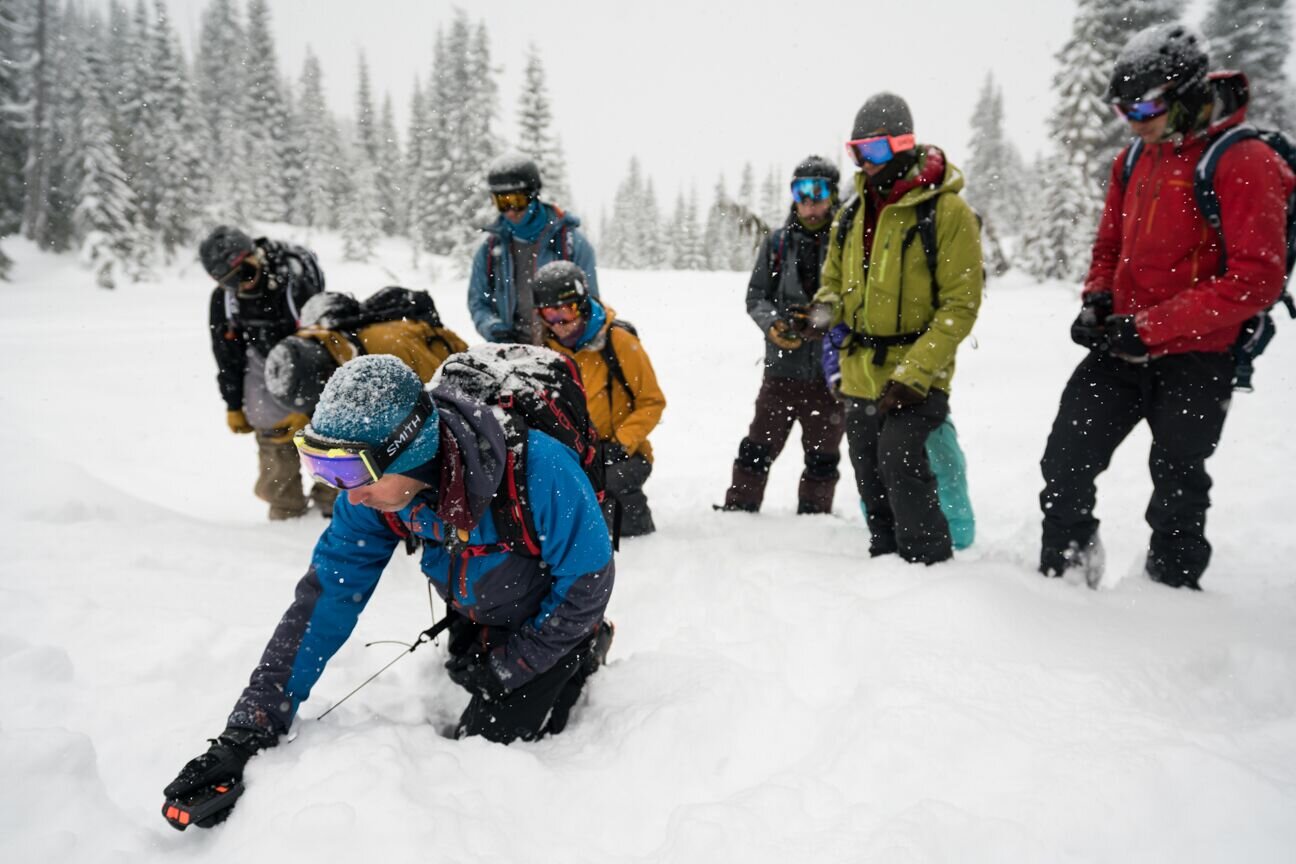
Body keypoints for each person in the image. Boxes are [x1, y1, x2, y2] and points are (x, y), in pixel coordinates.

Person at [163, 355, 616, 826]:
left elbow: (587, 585)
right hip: (479, 592)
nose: (348, 494)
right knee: (470, 671)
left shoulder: (541, 470)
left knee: (484, 751)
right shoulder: (374, 496)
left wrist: (516, 663)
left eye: (354, 474)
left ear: (410, 451)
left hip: (549, 606)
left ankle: (586, 647)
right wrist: (247, 732)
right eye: (323, 467)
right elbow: (324, 602)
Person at [1038, 24, 1295, 589]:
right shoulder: (1133, 158)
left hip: (1198, 357)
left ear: (1185, 93)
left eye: (1145, 104)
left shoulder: (1242, 160)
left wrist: (1153, 327)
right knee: (1064, 463)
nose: (1133, 118)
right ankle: (1064, 569)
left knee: (1178, 482)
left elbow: (1256, 280)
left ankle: (1170, 596)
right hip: (1121, 348)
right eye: (1122, 106)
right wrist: (1097, 298)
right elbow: (1109, 244)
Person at [807, 92, 983, 565]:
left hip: (918, 374)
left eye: (876, 150)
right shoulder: (851, 215)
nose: (866, 162)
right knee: (869, 471)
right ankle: (885, 562)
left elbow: (960, 306)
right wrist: (824, 311)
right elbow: (833, 284)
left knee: (900, 459)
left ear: (905, 145)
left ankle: (928, 564)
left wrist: (915, 372)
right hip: (861, 372)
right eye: (857, 151)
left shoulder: (946, 213)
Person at [720, 156, 845, 515]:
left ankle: (815, 518)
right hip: (782, 371)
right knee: (757, 447)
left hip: (830, 374)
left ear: (832, 194)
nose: (808, 200)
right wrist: (773, 324)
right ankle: (739, 512)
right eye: (800, 191)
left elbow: (856, 299)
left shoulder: (846, 243)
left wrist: (825, 320)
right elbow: (756, 296)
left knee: (823, 456)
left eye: (817, 190)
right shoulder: (777, 243)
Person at [201, 226, 331, 520]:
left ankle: (335, 502)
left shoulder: (294, 281)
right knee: (270, 428)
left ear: (255, 256)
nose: (241, 287)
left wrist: (308, 406)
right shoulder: (225, 301)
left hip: (311, 356)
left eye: (245, 274)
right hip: (261, 358)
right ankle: (286, 507)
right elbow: (227, 357)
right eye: (229, 283)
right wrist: (233, 405)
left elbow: (326, 342)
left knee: (326, 428)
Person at [532, 261, 666, 537]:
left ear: (581, 305)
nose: (559, 323)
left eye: (566, 310)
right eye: (549, 313)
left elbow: (651, 401)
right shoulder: (544, 350)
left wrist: (622, 443)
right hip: (575, 451)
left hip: (622, 451)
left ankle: (638, 541)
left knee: (611, 483)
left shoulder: (618, 341)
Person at [821, 324, 976, 549]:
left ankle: (958, 535)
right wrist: (836, 370)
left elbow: (947, 322)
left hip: (920, 390)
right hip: (868, 390)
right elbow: (836, 327)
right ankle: (888, 528)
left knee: (944, 461)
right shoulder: (855, 296)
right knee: (874, 467)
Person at [264, 289, 469, 416]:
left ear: (326, 374)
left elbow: (440, 401)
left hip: (454, 365)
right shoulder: (313, 347)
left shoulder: (391, 350)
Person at [467, 155, 599, 346]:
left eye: (517, 200)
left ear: (533, 194)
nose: (510, 211)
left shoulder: (570, 243)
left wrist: (566, 331)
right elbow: (478, 302)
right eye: (502, 202)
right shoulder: (489, 251)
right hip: (513, 356)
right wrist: (493, 328)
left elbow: (590, 302)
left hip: (562, 352)